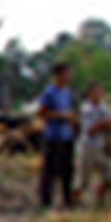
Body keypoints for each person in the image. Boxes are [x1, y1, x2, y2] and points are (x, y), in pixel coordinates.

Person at [36, 62, 78, 209]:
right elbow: (41, 113)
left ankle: (67, 200)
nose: (69, 76)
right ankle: (46, 201)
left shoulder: (68, 92)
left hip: (66, 136)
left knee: (67, 170)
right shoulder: (50, 92)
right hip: (53, 137)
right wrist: (60, 115)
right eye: (67, 73)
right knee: (50, 171)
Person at [75, 82, 111, 207]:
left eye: (101, 92)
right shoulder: (86, 109)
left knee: (109, 176)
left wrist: (105, 125)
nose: (99, 95)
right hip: (87, 146)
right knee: (83, 181)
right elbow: (90, 131)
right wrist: (102, 124)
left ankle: (99, 200)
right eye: (96, 92)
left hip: (101, 146)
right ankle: (73, 202)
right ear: (90, 93)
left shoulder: (104, 108)